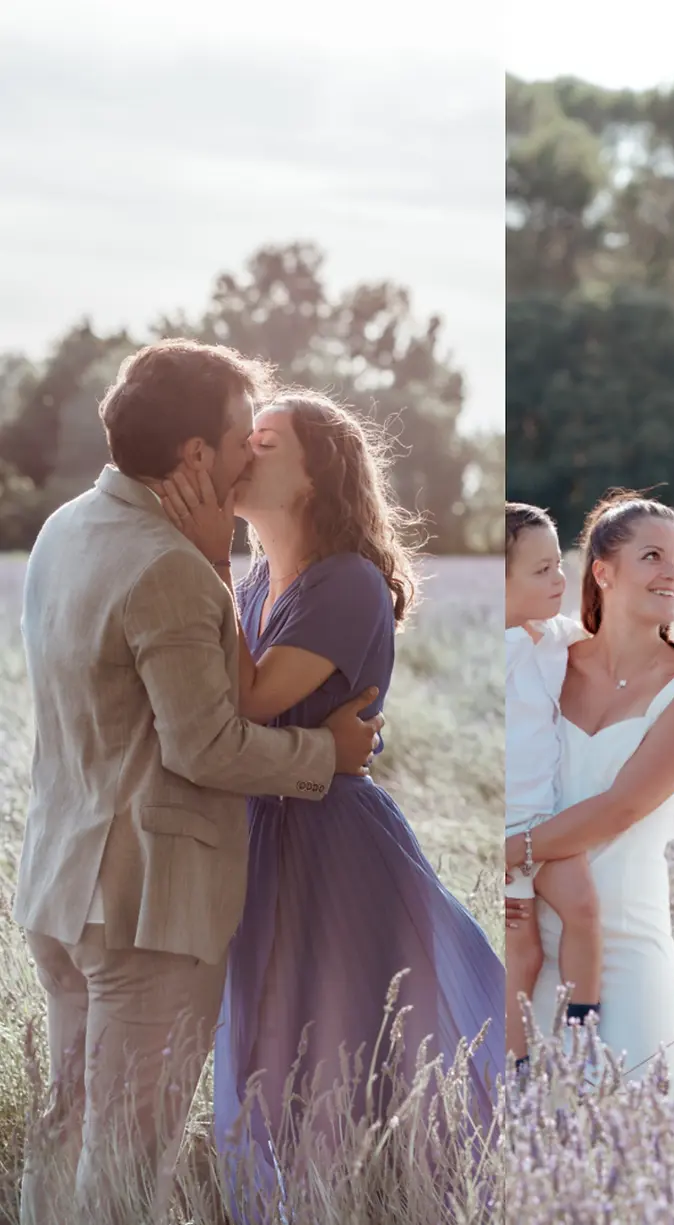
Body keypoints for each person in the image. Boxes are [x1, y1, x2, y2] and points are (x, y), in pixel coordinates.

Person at [14, 341, 381, 1225]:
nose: (248, 453)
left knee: (67, 1129)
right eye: (237, 438)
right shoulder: (173, 567)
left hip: (64, 885)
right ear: (194, 457)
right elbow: (208, 745)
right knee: (128, 1158)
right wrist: (325, 756)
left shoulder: (66, 526)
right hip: (148, 904)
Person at [161, 392, 504, 1219]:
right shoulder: (255, 584)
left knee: (344, 1066)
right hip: (262, 837)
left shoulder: (346, 583)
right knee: (261, 1066)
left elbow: (242, 699)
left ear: (316, 475)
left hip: (330, 847)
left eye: (265, 441)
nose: (241, 451)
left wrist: (202, 555)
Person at [505, 492, 674, 1090]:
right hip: (530, 940)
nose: (673, 575)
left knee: (630, 1151)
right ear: (602, 571)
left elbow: (622, 806)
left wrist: (507, 852)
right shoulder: (545, 658)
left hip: (628, 951)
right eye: (653, 556)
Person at [504, 501, 601, 1074]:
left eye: (558, 564)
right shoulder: (496, 653)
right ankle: (514, 1066)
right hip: (506, 827)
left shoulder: (556, 638)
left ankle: (580, 1040)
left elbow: (606, 635)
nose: (559, 579)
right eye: (540, 571)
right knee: (524, 948)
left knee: (585, 911)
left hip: (547, 823)